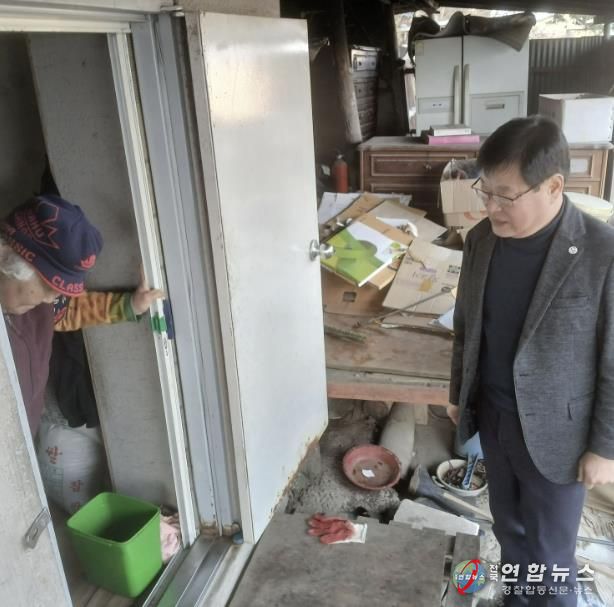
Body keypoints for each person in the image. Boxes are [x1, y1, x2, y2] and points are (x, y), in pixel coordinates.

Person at [446, 115, 614, 606]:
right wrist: (458, 394)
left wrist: (604, 447)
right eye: (486, 191)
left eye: (506, 196)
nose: (491, 206)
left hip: (561, 434)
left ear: (553, 186)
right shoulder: (481, 241)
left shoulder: (601, 253)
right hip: (495, 418)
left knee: (549, 549)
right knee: (509, 529)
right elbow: (466, 326)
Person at [0, 194, 163, 435]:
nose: (50, 300)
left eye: (58, 293)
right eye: (47, 289)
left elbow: (71, 310)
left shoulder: (43, 306)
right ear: (4, 256)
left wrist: (130, 306)